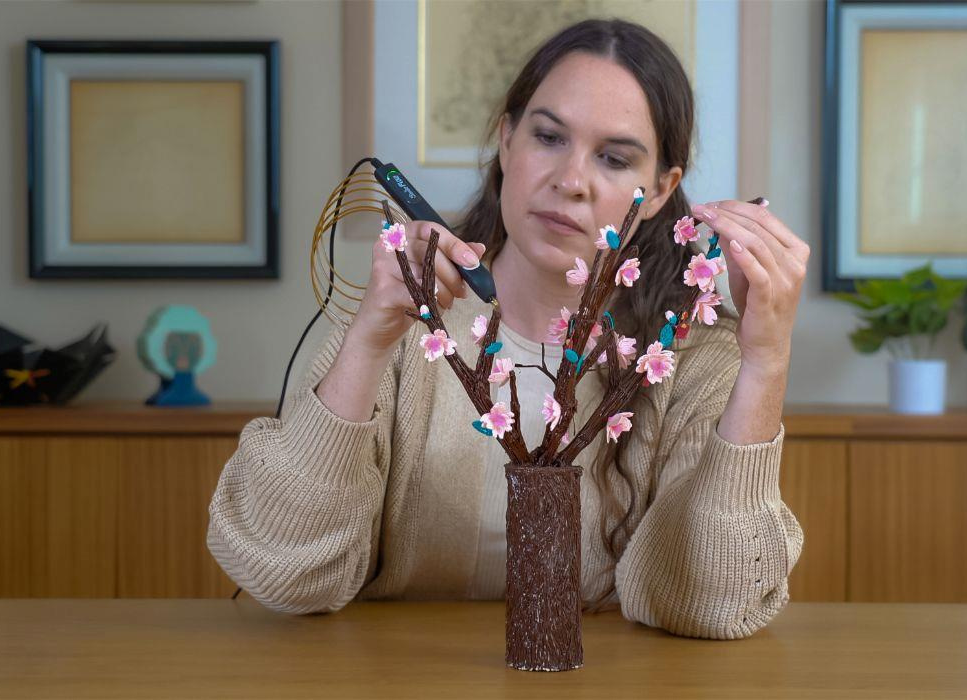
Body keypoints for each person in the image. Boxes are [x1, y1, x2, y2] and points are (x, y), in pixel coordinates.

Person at [207, 18, 808, 639]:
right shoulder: (408, 325)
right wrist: (367, 341)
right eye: (548, 137)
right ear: (506, 139)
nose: (570, 181)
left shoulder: (688, 357)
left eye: (613, 158)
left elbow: (713, 603)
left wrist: (767, 361)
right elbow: (279, 570)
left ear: (660, 190)